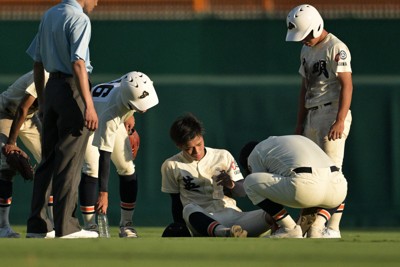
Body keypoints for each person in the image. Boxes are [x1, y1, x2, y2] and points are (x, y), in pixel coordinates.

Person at [25, 0, 99, 238]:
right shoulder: (79, 19)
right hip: (72, 88)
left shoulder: (49, 14)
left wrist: (45, 101)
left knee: (47, 160)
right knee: (69, 159)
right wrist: (89, 105)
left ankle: (38, 225)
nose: (97, 2)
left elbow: (38, 62)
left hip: (52, 87)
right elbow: (78, 62)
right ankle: (66, 226)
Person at [286, 4, 353, 238]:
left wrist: (340, 120)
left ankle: (331, 227)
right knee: (311, 173)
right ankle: (307, 224)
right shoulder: (306, 50)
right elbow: (305, 88)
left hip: (332, 111)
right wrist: (299, 123)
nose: (302, 40)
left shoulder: (336, 47)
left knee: (333, 173)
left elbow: (347, 85)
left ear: (316, 27)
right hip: (312, 113)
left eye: (305, 35)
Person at [161, 113, 272, 237]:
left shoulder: (222, 155)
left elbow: (242, 192)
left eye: (199, 144)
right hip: (202, 221)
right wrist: (180, 227)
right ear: (179, 145)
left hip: (234, 217)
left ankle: (291, 228)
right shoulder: (171, 165)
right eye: (189, 148)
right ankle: (224, 233)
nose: (196, 151)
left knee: (271, 213)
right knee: (188, 208)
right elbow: (176, 202)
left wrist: (231, 184)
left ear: (202, 136)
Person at [79, 71, 159, 238]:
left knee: (127, 167)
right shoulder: (111, 113)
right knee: (92, 169)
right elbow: (104, 156)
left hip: (112, 115)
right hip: (87, 124)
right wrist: (103, 193)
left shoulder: (130, 83)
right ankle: (90, 226)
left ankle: (127, 224)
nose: (143, 109)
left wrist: (129, 116)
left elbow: (129, 89)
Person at [238, 135, 348, 238]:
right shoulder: (285, 142)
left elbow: (266, 191)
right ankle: (319, 227)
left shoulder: (255, 153)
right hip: (338, 190)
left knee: (249, 183)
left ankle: (289, 228)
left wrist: (277, 223)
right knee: (337, 181)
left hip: (305, 187)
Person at [0, 71, 53, 238]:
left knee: (51, 162)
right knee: (7, 166)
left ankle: (52, 223)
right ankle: (3, 226)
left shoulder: (63, 79)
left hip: (29, 117)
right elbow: (22, 108)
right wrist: (11, 143)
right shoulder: (45, 74)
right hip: (6, 113)